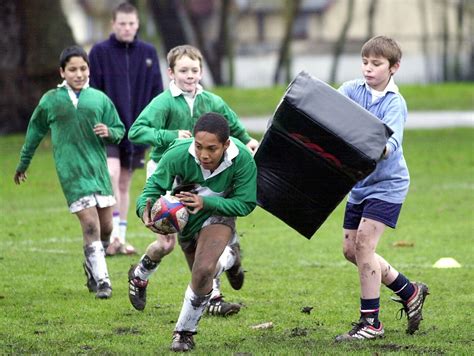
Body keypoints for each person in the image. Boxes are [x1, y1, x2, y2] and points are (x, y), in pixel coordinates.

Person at [127, 44, 259, 316]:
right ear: (171, 73)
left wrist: (248, 141)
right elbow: (136, 132)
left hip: (201, 174)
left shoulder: (211, 101)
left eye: (195, 70)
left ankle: (214, 296)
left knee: (205, 231)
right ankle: (139, 275)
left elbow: (232, 126)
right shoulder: (163, 102)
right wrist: (171, 136)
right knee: (166, 243)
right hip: (169, 172)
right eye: (183, 70)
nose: (190, 75)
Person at [133, 113, 257, 351]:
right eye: (199, 147)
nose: (204, 154)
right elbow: (152, 188)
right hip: (186, 220)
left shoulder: (242, 160)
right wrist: (144, 210)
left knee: (202, 272)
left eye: (212, 148)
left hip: (219, 214)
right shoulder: (178, 153)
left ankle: (183, 333)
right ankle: (231, 258)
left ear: (226, 145)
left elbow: (246, 203)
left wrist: (206, 203)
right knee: (202, 276)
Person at [334, 36, 429, 341]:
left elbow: (391, 143)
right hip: (359, 184)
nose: (368, 69)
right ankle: (409, 290)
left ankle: (371, 323)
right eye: (365, 62)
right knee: (351, 250)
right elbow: (327, 111)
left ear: (394, 68)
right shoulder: (350, 90)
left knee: (364, 245)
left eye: (376, 64)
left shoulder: (394, 102)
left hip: (388, 184)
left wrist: (373, 146)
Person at [14, 45, 125, 299]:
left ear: (89, 70)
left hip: (98, 172)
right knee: (90, 224)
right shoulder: (50, 101)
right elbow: (34, 132)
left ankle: (92, 265)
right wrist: (23, 163)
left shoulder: (99, 99)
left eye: (83, 68)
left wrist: (110, 132)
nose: (79, 73)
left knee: (107, 227)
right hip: (72, 174)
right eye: (72, 69)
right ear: (62, 72)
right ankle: (103, 281)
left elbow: (120, 130)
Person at [89, 2, 164, 256]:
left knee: (124, 184)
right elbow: (93, 93)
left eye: (131, 23)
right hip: (109, 129)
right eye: (122, 23)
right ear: (113, 24)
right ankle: (107, 235)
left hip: (138, 132)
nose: (127, 28)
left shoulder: (149, 52)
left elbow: (157, 93)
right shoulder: (99, 53)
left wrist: (153, 127)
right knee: (110, 175)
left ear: (138, 24)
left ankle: (119, 239)